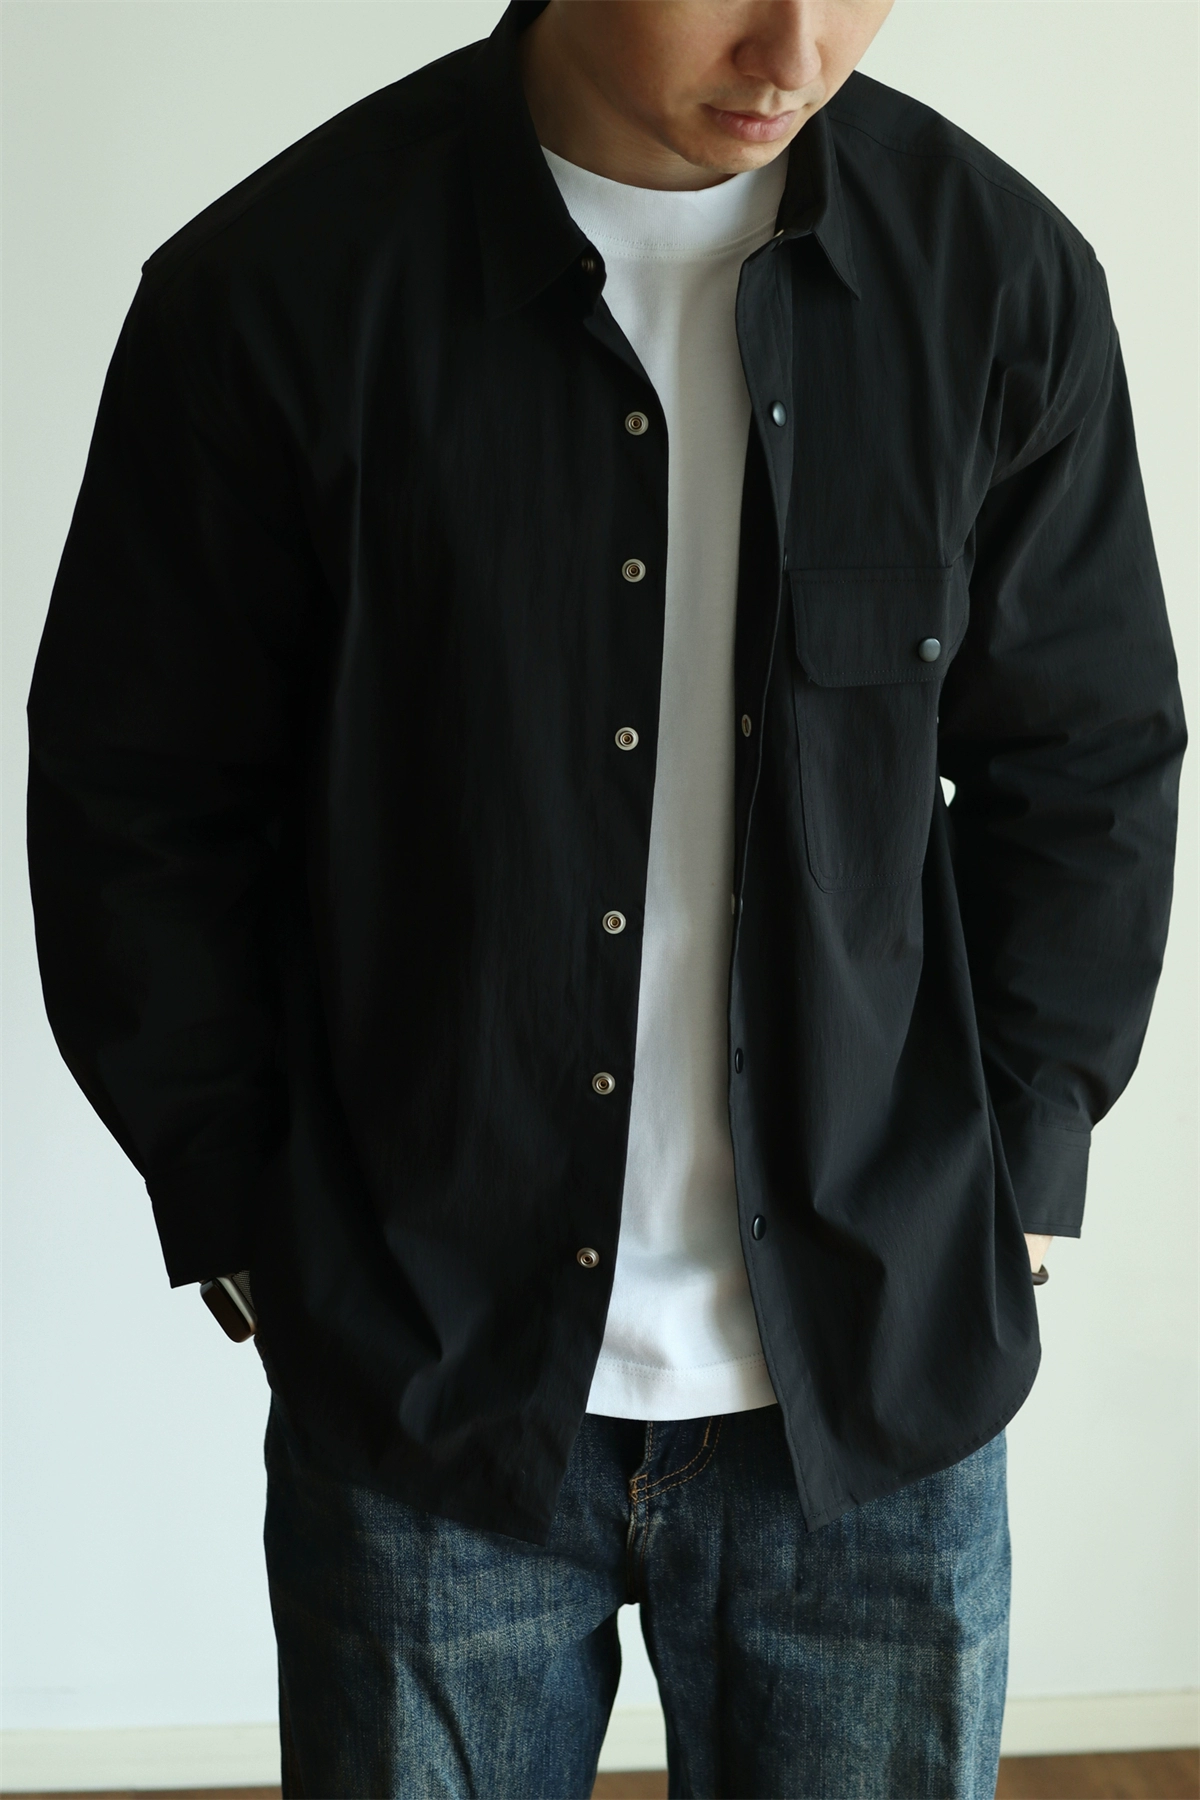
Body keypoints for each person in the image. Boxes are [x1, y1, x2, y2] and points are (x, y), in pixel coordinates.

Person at [26, 1, 1184, 1795]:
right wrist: (241, 1198)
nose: (795, 46)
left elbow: (1086, 762)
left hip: (877, 1380)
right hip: (427, 1378)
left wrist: (1025, 1173)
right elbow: (140, 791)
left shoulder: (998, 280)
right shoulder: (277, 287)